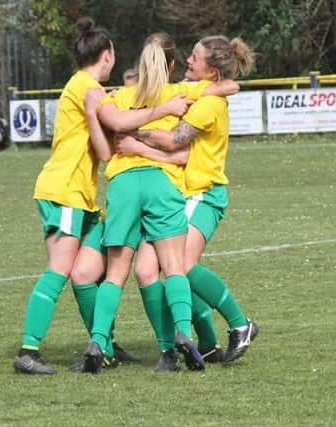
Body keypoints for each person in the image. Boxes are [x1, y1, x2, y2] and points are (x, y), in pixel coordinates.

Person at [12, 18, 191, 375]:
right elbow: (119, 127)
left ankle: (105, 345)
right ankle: (28, 349)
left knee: (87, 272)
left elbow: (104, 147)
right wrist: (164, 111)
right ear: (106, 54)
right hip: (64, 189)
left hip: (84, 194)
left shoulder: (89, 88)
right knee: (62, 268)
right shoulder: (87, 88)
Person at [82, 32, 239, 373]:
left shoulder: (119, 96)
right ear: (167, 67)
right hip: (161, 183)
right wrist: (167, 106)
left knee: (117, 274)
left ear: (137, 68)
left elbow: (109, 138)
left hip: (122, 183)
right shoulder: (177, 93)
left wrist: (101, 104)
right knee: (174, 265)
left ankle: (97, 340)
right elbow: (227, 87)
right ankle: (184, 334)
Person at [118, 35, 259, 365]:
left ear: (211, 70)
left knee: (181, 266)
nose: (188, 61)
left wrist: (130, 133)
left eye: (195, 57)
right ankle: (196, 344)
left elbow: (173, 140)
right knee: (147, 269)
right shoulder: (197, 91)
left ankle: (240, 323)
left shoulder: (209, 105)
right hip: (180, 194)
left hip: (204, 193)